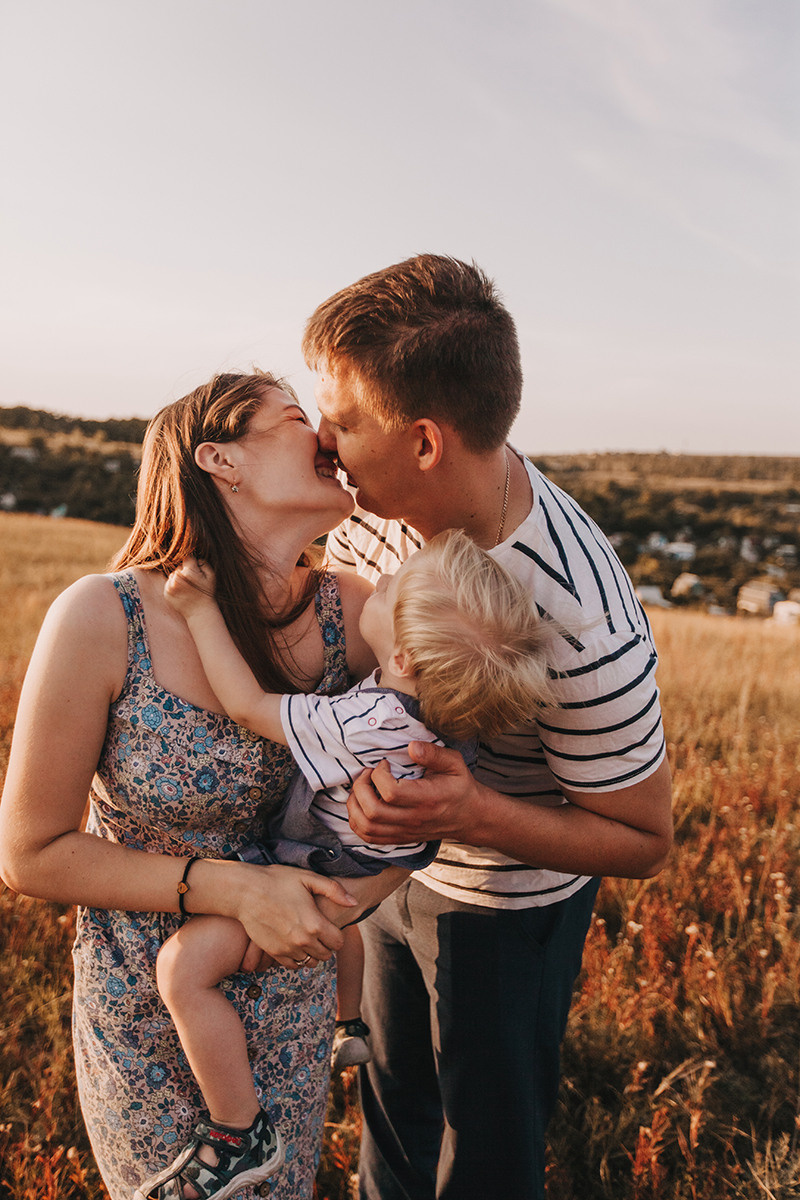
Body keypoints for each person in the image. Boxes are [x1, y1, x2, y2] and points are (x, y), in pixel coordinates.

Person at [301, 254, 674, 1200]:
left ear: (425, 440)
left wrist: (466, 813)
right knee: (393, 1116)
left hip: (510, 911)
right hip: (384, 879)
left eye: (342, 418)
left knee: (488, 1146)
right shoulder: (377, 510)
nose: (321, 436)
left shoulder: (581, 618)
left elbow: (643, 838)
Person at [0, 370, 407, 1200]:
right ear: (220, 459)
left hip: (287, 986)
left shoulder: (353, 615)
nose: (327, 434)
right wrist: (230, 888)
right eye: (297, 418)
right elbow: (29, 853)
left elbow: (426, 757)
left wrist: (367, 872)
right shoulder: (104, 616)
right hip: (145, 995)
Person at [152, 527, 554, 1197]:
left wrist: (198, 610)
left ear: (401, 654)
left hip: (313, 888)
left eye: (393, 587)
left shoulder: (367, 722)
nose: (382, 579)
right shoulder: (445, 723)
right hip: (358, 885)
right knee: (354, 921)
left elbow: (249, 706)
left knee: (183, 970)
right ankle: (348, 1022)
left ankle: (237, 1129)